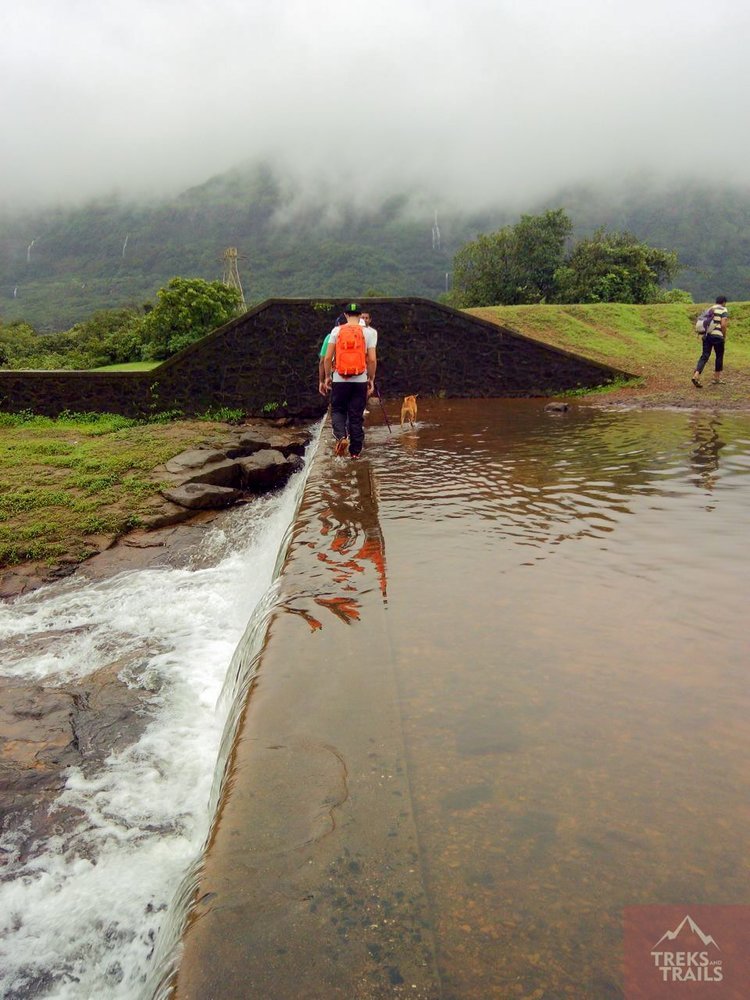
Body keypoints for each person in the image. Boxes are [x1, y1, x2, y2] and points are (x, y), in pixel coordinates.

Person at [320, 302, 377, 458]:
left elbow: (327, 358)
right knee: (356, 415)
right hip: (360, 380)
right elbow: (372, 360)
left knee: (338, 410)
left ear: (345, 315)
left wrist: (327, 377)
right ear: (360, 316)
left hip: (340, 379)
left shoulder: (336, 330)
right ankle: (355, 453)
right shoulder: (370, 333)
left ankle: (341, 437)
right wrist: (370, 379)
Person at [692, 296, 729, 388]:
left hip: (707, 336)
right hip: (718, 336)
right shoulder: (723, 309)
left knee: (704, 356)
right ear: (724, 302)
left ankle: (696, 375)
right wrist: (723, 336)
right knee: (719, 356)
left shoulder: (710, 309)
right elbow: (723, 324)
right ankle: (716, 378)